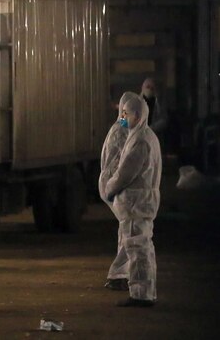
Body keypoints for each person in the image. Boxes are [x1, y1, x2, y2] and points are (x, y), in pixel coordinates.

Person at [105, 91, 162, 307]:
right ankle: (144, 292)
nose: (124, 118)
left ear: (137, 115)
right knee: (142, 247)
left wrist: (110, 188)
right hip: (141, 203)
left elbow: (125, 173)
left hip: (135, 204)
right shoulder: (148, 137)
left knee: (137, 249)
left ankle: (140, 295)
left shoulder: (140, 141)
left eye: (126, 114)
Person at [98, 100, 130, 291]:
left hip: (111, 184)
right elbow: (119, 164)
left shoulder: (120, 129)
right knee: (131, 230)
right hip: (113, 185)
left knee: (126, 229)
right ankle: (118, 275)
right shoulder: (122, 131)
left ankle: (121, 274)